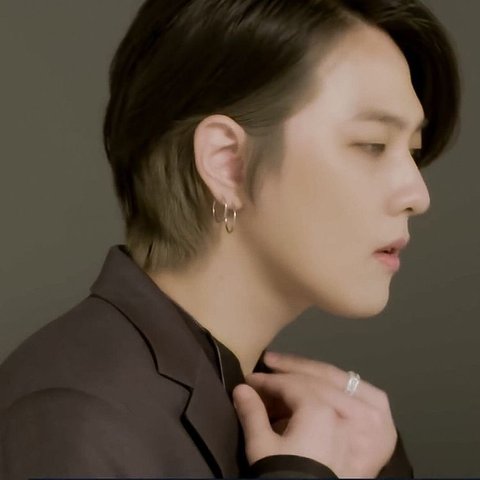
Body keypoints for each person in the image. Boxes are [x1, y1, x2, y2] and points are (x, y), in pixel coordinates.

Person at [0, 0, 460, 478]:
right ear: (227, 164)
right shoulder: (73, 421)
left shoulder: (329, 435)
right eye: (372, 145)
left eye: (413, 152)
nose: (418, 195)